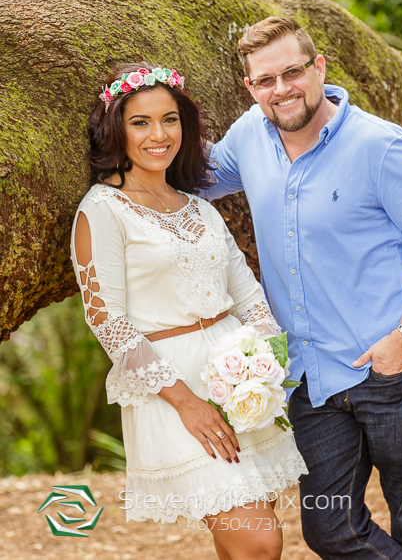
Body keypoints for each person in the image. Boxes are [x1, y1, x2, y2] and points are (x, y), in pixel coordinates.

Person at [202, 16, 402, 559]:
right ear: (250, 88)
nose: (282, 89)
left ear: (318, 67)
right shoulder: (249, 135)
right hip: (310, 377)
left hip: (394, 367)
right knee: (331, 529)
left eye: (292, 72)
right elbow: (194, 178)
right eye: (265, 80)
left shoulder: (378, 144)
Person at [70, 62, 307, 560]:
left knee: (242, 544)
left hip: (240, 381)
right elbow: (106, 320)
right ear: (116, 128)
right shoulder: (101, 209)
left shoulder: (199, 207)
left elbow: (246, 294)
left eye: (170, 119)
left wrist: (261, 369)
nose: (159, 134)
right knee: (259, 542)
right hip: (170, 390)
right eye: (141, 122)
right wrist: (185, 402)